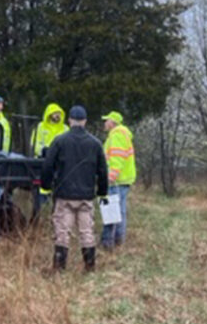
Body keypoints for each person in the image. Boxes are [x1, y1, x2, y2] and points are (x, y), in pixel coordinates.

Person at [41, 105, 108, 272]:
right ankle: (90, 267)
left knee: (62, 233)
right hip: (86, 196)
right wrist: (101, 191)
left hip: (64, 195)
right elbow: (102, 170)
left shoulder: (59, 141)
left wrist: (46, 186)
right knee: (87, 232)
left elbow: (48, 165)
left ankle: (59, 269)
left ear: (70, 120)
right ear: (85, 121)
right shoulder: (95, 143)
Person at [100, 111, 136, 250]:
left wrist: (110, 177)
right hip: (121, 179)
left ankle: (109, 242)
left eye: (106, 120)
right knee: (119, 211)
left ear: (112, 122)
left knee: (111, 211)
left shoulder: (117, 135)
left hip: (116, 180)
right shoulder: (121, 134)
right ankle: (118, 241)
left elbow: (117, 158)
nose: (104, 123)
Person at [31, 103, 69, 212]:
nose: (57, 116)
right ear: (49, 114)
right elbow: (34, 143)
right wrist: (43, 151)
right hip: (42, 162)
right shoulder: (41, 127)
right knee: (40, 196)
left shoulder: (65, 128)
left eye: (59, 113)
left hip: (60, 163)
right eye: (55, 113)